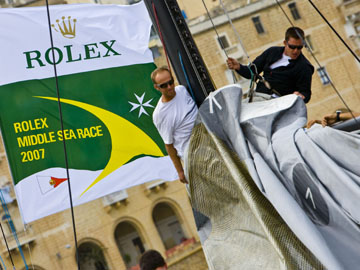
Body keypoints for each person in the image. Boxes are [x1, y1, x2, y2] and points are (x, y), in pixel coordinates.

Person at [227, 27, 314, 103]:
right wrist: (238, 66)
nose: (295, 51)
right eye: (292, 47)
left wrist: (300, 96)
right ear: (285, 43)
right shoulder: (272, 52)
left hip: (278, 102)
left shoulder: (304, 67)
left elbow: (306, 93)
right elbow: (252, 72)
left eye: (299, 47)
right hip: (259, 96)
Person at [152, 66, 198, 184]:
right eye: (164, 85)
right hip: (192, 155)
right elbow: (169, 145)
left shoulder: (182, 90)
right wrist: (180, 171)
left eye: (171, 82)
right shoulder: (160, 114)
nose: (169, 87)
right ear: (156, 87)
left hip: (208, 142)